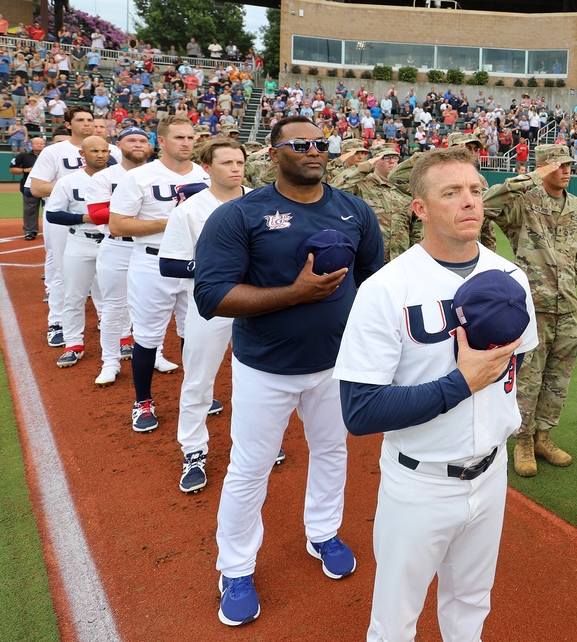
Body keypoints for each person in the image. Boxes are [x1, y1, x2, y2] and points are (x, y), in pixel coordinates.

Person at [334, 145, 538, 642]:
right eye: (451, 193)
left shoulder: (511, 276)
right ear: (419, 208)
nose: (469, 202)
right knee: (396, 618)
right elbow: (359, 412)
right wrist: (460, 382)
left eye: (474, 190)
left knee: (471, 604)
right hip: (418, 481)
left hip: (491, 473)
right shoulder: (385, 289)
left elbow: (519, 361)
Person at [192, 115, 384, 626]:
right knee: (250, 469)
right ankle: (234, 567)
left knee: (332, 453)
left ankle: (322, 532)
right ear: (274, 153)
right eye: (301, 143)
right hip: (265, 367)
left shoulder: (354, 210)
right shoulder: (240, 215)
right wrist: (295, 295)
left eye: (322, 143)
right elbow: (211, 295)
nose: (315, 150)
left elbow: (374, 282)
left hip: (334, 365)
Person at [159, 138, 272, 493]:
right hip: (213, 304)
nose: (236, 168)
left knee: (259, 379)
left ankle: (256, 444)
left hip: (258, 302)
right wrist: (218, 266)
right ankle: (193, 449)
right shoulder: (190, 209)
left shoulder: (263, 201)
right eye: (226, 163)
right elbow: (169, 263)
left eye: (239, 162)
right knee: (198, 379)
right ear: (207, 168)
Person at [482, 144, 577, 477]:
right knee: (528, 378)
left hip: (567, 307)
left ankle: (544, 436)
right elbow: (485, 207)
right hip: (532, 308)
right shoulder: (523, 202)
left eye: (569, 164)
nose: (567, 170)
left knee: (557, 379)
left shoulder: (576, 206)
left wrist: (567, 288)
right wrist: (526, 179)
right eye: (558, 165)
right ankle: (522, 441)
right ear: (542, 168)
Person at [109, 116, 210, 432]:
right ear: (161, 141)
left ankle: (194, 394)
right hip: (153, 261)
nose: (186, 143)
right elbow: (118, 224)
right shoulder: (140, 176)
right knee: (148, 336)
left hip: (195, 263)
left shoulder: (205, 175)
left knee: (192, 333)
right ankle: (142, 402)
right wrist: (172, 222)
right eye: (179, 137)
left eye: (191, 137)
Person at [84, 127, 156, 386]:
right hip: (118, 245)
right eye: (131, 140)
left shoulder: (159, 173)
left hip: (151, 246)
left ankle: (154, 352)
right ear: (119, 145)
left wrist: (124, 211)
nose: (138, 144)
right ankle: (110, 361)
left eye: (142, 140)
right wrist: (142, 210)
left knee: (152, 307)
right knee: (114, 308)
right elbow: (97, 215)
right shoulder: (105, 176)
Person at [44, 136, 111, 368]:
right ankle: (73, 344)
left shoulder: (122, 179)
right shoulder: (68, 181)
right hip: (80, 240)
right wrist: (85, 217)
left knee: (115, 296)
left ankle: (121, 341)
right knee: (74, 295)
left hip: (113, 241)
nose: (100, 155)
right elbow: (53, 214)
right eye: (94, 151)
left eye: (104, 150)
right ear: (82, 154)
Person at [331, 142, 413, 262]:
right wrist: (362, 169)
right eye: (386, 158)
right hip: (370, 260)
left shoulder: (404, 187)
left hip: (400, 260)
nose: (392, 161)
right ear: (375, 161)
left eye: (395, 157)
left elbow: (416, 225)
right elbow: (334, 191)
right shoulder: (362, 183)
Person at [11, 135, 46, 239]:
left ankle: (51, 231)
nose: (39, 145)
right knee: (30, 209)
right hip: (29, 186)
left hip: (47, 186)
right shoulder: (23, 155)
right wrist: (25, 170)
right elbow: (13, 169)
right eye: (36, 143)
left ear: (45, 145)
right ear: (31, 145)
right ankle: (30, 231)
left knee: (50, 209)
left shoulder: (50, 155)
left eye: (41, 143)